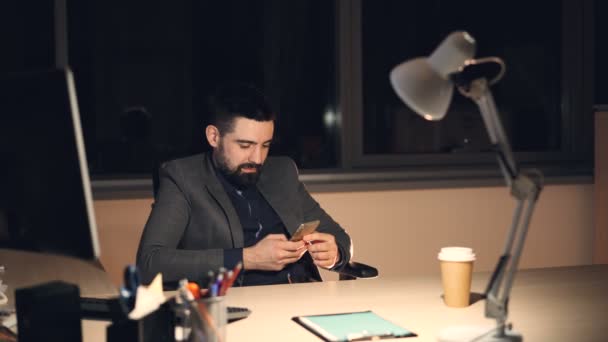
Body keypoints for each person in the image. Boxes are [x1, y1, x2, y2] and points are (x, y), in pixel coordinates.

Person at [136, 83, 352, 287]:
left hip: (303, 297)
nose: (257, 158)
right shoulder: (183, 177)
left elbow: (338, 236)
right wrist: (247, 258)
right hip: (235, 306)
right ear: (214, 137)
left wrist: (335, 254)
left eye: (265, 145)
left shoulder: (282, 172)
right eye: (245, 145)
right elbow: (150, 263)